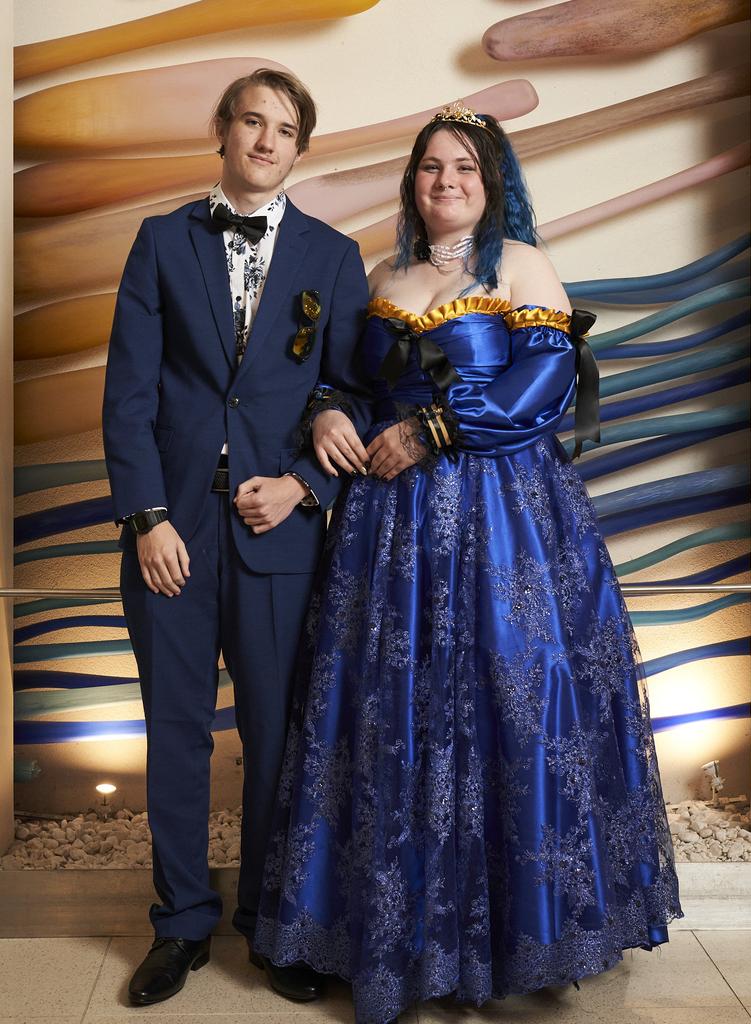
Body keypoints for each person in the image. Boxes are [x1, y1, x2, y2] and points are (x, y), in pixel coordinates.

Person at [253, 104, 683, 1024]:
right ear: (411, 182)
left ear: (493, 184)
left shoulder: (521, 266)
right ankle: (397, 934)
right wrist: (331, 412)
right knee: (390, 710)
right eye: (430, 168)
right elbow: (348, 381)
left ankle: (522, 935)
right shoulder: (380, 274)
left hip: (501, 516)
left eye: (464, 169)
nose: (445, 183)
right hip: (387, 527)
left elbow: (546, 385)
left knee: (511, 697)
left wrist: (437, 428)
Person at [102, 67, 372, 1007]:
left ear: (302, 148)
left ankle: (269, 921)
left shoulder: (335, 258)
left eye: (284, 128)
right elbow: (129, 396)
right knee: (174, 733)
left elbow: (352, 393)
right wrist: (147, 519)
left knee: (275, 734)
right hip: (171, 532)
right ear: (222, 130)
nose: (265, 140)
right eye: (251, 121)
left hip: (278, 538)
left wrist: (300, 484)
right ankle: (179, 925)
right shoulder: (159, 242)